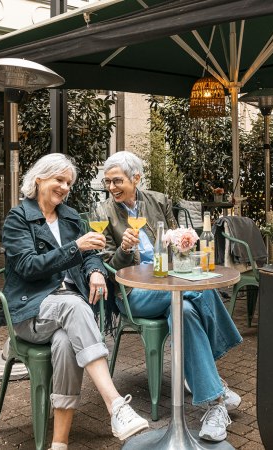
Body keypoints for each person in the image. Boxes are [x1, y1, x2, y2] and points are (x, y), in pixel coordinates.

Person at [1, 153, 148, 449]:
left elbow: (91, 253)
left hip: (68, 314)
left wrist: (94, 271)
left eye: (68, 182)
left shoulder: (68, 216)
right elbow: (28, 266)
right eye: (59, 180)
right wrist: (74, 248)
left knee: (67, 343)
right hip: (31, 312)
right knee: (74, 305)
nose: (65, 187)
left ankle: (59, 443)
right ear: (39, 179)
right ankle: (115, 404)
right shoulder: (18, 219)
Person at [100, 151, 243, 442]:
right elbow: (106, 265)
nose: (112, 187)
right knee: (199, 289)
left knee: (187, 311)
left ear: (136, 178)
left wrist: (183, 243)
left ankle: (215, 403)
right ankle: (223, 357)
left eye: (118, 181)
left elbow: (179, 244)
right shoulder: (103, 212)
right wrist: (124, 250)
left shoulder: (158, 200)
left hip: (171, 282)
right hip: (135, 293)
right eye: (108, 182)